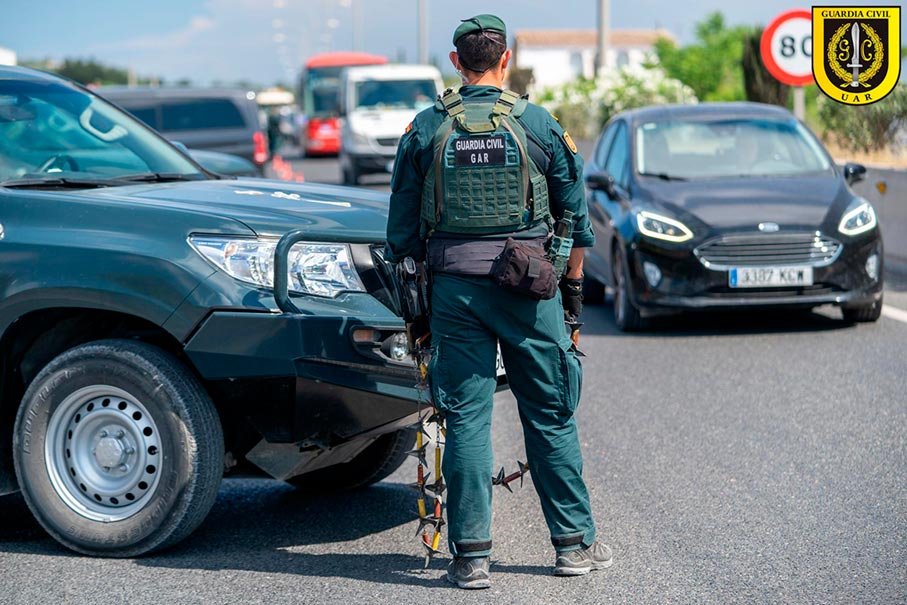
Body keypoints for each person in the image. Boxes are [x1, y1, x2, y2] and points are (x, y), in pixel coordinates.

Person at [385, 14, 611, 589]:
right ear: (506, 59)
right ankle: (573, 547)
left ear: (456, 63)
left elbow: (403, 241)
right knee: (551, 414)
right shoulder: (539, 125)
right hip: (529, 290)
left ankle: (472, 558)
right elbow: (576, 227)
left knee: (465, 421)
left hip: (453, 293)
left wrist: (418, 318)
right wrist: (572, 305)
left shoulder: (425, 129)